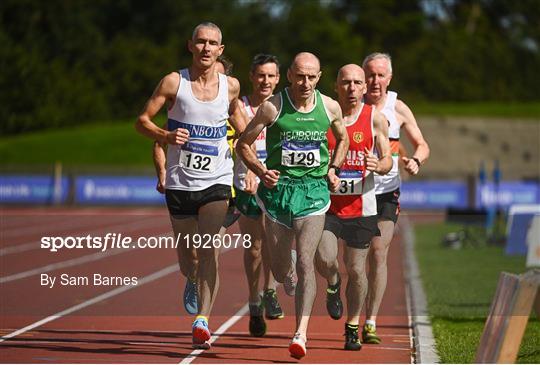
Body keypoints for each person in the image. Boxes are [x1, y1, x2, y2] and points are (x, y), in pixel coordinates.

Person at [136, 22, 246, 350]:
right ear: (190, 45)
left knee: (210, 245)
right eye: (201, 42)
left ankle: (202, 319)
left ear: (221, 50)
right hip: (181, 183)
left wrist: (252, 149)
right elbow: (141, 122)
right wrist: (166, 136)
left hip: (216, 181)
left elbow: (240, 125)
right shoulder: (174, 81)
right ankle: (192, 279)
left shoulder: (231, 86)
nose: (207, 48)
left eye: (213, 43)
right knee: (189, 258)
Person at [236, 52, 349, 359]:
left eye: (312, 77)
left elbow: (343, 139)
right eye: (300, 76)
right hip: (278, 194)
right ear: (289, 75)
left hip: (313, 192)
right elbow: (242, 144)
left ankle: (300, 333)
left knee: (305, 262)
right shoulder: (273, 106)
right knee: (283, 267)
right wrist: (261, 172)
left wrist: (333, 169)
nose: (306, 83)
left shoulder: (330, 106)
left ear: (320, 77)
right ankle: (288, 276)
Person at [314, 64, 392, 351]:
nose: (351, 88)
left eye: (357, 82)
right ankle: (333, 282)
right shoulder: (322, 116)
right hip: (327, 205)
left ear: (363, 88)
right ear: (336, 86)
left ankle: (352, 327)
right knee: (325, 258)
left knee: (358, 271)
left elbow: (387, 159)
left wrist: (379, 165)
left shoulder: (375, 118)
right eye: (345, 82)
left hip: (362, 207)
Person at [361, 52, 430, 344]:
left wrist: (416, 160)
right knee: (350, 260)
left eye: (380, 75)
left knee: (378, 252)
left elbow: (422, 144)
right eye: (370, 75)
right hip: (353, 192)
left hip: (387, 192)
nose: (375, 81)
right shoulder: (351, 105)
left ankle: (370, 321)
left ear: (389, 78)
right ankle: (346, 301)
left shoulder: (397, 108)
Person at [233, 54, 284, 338]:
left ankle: (270, 291)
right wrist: (253, 169)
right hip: (247, 184)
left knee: (275, 245)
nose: (265, 81)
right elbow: (242, 141)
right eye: (260, 75)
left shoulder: (284, 108)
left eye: (271, 76)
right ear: (252, 76)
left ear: (278, 78)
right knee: (254, 248)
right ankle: (254, 302)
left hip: (278, 185)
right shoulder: (239, 107)